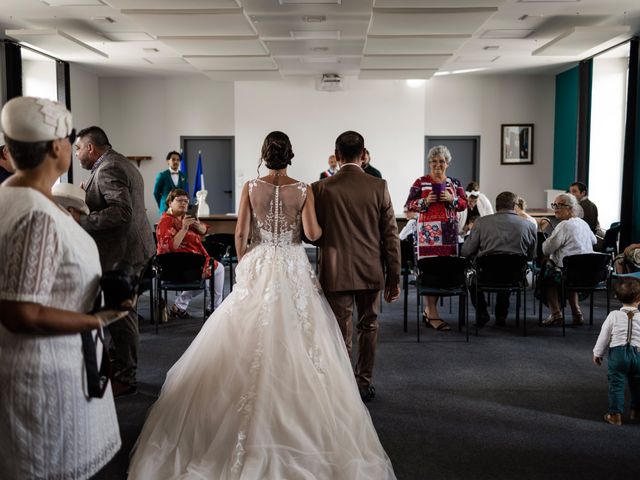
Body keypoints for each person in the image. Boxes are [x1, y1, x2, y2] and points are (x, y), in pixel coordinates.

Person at [128, 131, 396, 479]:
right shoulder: (304, 189)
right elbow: (313, 234)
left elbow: (241, 233)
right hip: (292, 264)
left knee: (246, 334)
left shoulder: (251, 187)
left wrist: (246, 265)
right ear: (290, 155)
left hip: (260, 262)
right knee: (304, 335)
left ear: (264, 155)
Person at [0, 96, 127, 479]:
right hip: (43, 373)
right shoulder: (36, 214)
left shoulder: (11, 195)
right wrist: (95, 319)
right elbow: (21, 311)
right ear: (57, 147)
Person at [312, 131, 400, 403]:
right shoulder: (379, 186)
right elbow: (391, 235)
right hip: (370, 270)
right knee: (369, 326)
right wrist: (394, 277)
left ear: (337, 157)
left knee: (339, 331)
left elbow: (309, 234)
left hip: (335, 270)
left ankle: (340, 387)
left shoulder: (320, 188)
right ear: (363, 156)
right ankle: (363, 383)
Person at [75, 126, 155, 397]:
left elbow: (121, 212)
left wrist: (80, 220)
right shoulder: (119, 163)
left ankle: (125, 375)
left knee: (122, 314)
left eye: (77, 148)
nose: (75, 154)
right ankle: (117, 367)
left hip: (123, 253)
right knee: (122, 310)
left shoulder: (109, 168)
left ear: (90, 148)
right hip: (133, 249)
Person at [405, 144, 467, 331]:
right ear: (429, 163)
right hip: (427, 234)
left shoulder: (455, 183)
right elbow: (408, 206)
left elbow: (464, 205)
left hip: (449, 233)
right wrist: (424, 201)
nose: (437, 165)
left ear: (447, 163)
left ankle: (428, 310)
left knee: (442, 269)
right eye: (434, 161)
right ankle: (432, 313)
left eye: (441, 161)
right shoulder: (420, 182)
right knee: (429, 270)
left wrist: (452, 200)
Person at [461, 191, 537, 327]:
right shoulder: (529, 225)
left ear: (496, 206)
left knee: (472, 281)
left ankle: (482, 312)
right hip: (515, 276)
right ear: (514, 205)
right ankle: (501, 315)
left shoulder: (481, 222)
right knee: (508, 270)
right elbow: (531, 256)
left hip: (486, 275)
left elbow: (466, 251)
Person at [156, 188, 224, 316]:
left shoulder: (186, 217)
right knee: (217, 269)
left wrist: (198, 226)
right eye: (179, 200)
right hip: (175, 266)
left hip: (191, 263)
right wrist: (184, 228)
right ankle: (214, 308)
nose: (183, 203)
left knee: (209, 274)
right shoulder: (166, 221)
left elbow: (204, 230)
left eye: (186, 201)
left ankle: (180, 306)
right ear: (170, 203)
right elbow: (170, 247)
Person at [541, 193, 596, 326]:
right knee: (570, 272)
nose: (556, 208)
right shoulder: (583, 223)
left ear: (571, 208)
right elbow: (594, 241)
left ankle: (556, 314)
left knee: (547, 275)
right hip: (588, 273)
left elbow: (546, 249)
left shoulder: (564, 225)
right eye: (554, 205)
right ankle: (577, 313)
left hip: (568, 274)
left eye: (560, 205)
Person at [592, 277, 640, 425]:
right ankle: (636, 411)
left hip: (618, 355)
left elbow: (604, 336)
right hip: (638, 354)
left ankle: (615, 415)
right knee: (638, 384)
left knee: (616, 384)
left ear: (617, 297)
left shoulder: (613, 315)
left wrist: (598, 353)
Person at [153, 150, 188, 215]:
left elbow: (183, 192)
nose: (176, 161)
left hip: (179, 210)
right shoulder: (162, 175)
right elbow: (156, 193)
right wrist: (162, 205)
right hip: (165, 209)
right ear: (168, 161)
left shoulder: (183, 176)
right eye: (173, 159)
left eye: (178, 160)